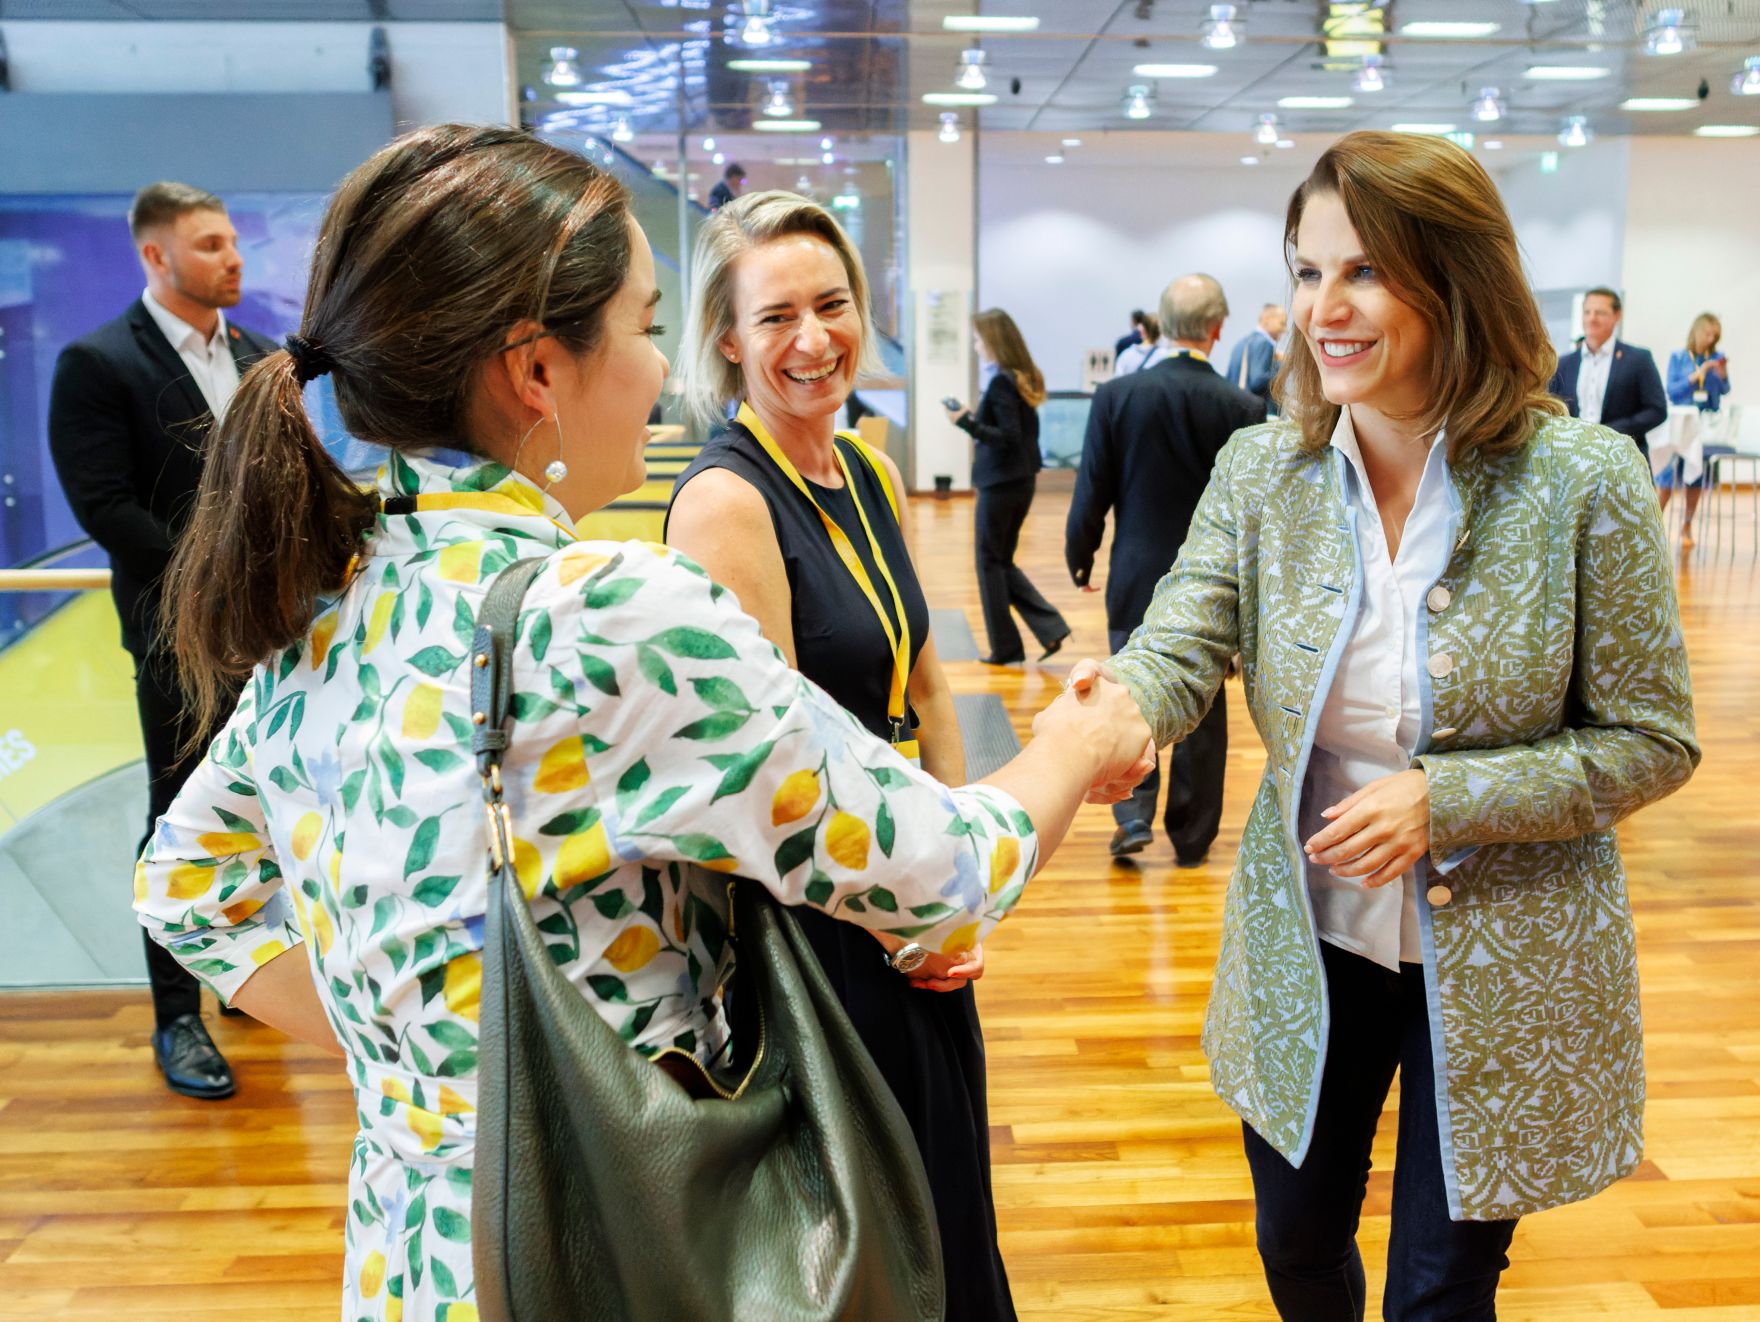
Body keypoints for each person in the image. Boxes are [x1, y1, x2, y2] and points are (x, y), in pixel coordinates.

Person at [132, 124, 1151, 1322]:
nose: (661, 369)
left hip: (412, 1256)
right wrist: (1075, 745)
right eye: (644, 324)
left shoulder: (335, 598)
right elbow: (941, 870)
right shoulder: (604, 615)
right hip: (608, 1244)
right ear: (537, 371)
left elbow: (188, 886)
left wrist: (422, 1059)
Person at [1072, 131, 1697, 1319]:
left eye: (1362, 271)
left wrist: (1444, 798)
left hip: (1507, 953)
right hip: (1311, 932)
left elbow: (1652, 737)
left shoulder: (1582, 479)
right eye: (1307, 272)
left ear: (1454, 277)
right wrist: (1116, 716)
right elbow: (1178, 641)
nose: (1323, 308)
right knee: (1296, 1242)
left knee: (1437, 1292)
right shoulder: (1265, 469)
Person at [666, 189, 1018, 1321]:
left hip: (907, 889)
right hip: (827, 922)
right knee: (878, 1239)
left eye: (831, 304)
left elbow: (924, 682)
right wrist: (907, 910)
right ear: (727, 338)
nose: (813, 338)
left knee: (947, 1207)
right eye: (775, 316)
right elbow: (775, 790)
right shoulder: (725, 502)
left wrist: (955, 879)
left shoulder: (864, 466)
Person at [47, 180, 276, 1101]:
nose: (233, 258)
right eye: (211, 244)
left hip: (273, 632)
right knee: (180, 819)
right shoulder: (98, 363)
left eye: (233, 241)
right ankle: (177, 1016)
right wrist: (218, 584)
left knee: (269, 807)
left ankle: (246, 974)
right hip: (178, 636)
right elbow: (107, 508)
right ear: (156, 255)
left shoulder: (259, 356)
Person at [1067, 274, 1265, 864]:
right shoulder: (1242, 407)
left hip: (1134, 572)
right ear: (1217, 329)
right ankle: (1193, 835)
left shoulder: (1117, 395)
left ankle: (1132, 814)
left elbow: (1092, 489)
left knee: (1128, 685)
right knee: (1205, 705)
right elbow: (1253, 515)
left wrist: (1080, 555)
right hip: (1217, 584)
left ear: (1161, 321)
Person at [946, 309, 1072, 666]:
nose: (976, 346)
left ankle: (1006, 648)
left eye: (978, 340)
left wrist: (966, 422)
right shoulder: (1022, 378)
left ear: (993, 341)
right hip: (1020, 481)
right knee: (1000, 561)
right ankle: (1050, 628)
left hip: (1001, 483)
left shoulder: (1002, 382)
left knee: (989, 562)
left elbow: (1008, 437)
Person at [1548, 285, 1667, 455]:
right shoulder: (1564, 364)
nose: (1592, 318)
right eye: (1587, 312)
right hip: (1574, 456)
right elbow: (1551, 409)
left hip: (1623, 455)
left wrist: (1610, 431)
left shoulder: (1638, 359)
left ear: (1617, 315)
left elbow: (1656, 410)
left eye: (1600, 313)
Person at [1659, 311, 1731, 544]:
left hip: (1705, 424)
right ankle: (1654, 525)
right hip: (1681, 423)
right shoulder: (1679, 358)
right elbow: (1672, 391)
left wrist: (1722, 375)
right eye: (1707, 333)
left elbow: (1724, 390)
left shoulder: (1717, 357)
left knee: (1696, 477)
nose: (1710, 339)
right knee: (1666, 476)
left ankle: (1687, 526)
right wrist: (1697, 375)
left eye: (1715, 335)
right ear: (1697, 331)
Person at [1224, 302, 1288, 414]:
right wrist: (1281, 365)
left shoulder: (1241, 343)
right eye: (1282, 324)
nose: (1285, 330)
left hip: (1237, 412)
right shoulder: (1264, 343)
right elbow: (1257, 381)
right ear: (1266, 319)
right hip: (1260, 415)